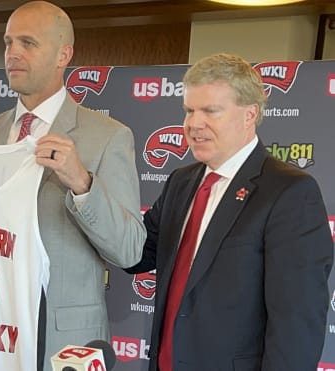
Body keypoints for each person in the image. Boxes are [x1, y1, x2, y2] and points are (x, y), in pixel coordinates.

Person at [0, 1, 145, 370]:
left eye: (28, 43)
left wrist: (82, 184)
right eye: (7, 42)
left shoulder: (108, 137)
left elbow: (130, 250)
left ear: (63, 54)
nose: (13, 53)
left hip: (61, 343)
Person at [125, 53, 333, 371]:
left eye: (211, 111)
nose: (194, 124)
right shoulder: (181, 182)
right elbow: (136, 255)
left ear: (250, 114)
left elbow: (297, 325)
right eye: (189, 111)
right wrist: (84, 189)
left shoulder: (290, 192)